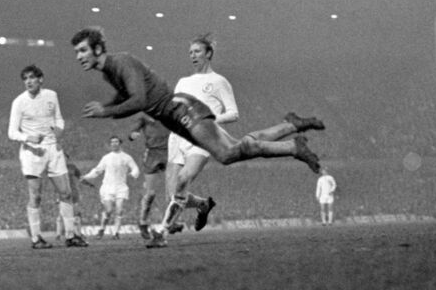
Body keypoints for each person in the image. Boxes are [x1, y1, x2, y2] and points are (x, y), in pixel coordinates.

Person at [68, 26, 324, 248]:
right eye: (77, 52)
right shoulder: (110, 71)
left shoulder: (122, 62)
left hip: (186, 113)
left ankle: (293, 147)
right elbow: (127, 96)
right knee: (233, 150)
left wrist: (106, 111)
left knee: (225, 155)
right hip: (177, 122)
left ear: (98, 48)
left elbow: (139, 100)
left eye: (82, 50)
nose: (78, 56)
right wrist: (108, 108)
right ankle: (291, 133)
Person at [7, 65, 89, 248]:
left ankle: (71, 236)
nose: (28, 81)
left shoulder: (51, 95)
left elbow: (58, 118)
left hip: (53, 148)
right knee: (35, 196)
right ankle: (36, 238)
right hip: (32, 152)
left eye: (31, 77)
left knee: (66, 192)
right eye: (25, 78)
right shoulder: (19, 102)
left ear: (40, 79)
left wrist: (59, 129)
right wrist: (28, 138)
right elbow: (12, 132)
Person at [164, 34, 238, 234]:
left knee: (183, 179)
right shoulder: (183, 82)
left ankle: (162, 232)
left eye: (197, 51)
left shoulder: (219, 81)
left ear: (209, 54)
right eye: (190, 52)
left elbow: (233, 113)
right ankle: (203, 204)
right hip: (178, 137)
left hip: (203, 138)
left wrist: (207, 121)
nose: (193, 55)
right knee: (172, 194)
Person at [81, 135, 140, 238]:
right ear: (110, 144)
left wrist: (132, 174)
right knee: (108, 210)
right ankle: (102, 229)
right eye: (112, 142)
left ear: (120, 143)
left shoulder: (126, 157)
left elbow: (135, 169)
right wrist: (86, 176)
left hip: (121, 187)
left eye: (116, 142)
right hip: (108, 187)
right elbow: (98, 170)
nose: (114, 144)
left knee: (119, 210)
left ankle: (116, 233)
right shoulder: (106, 158)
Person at [128, 113, 169, 240]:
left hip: (170, 152)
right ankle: (143, 222)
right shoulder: (144, 117)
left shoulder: (169, 113)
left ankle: (170, 222)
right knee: (150, 194)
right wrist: (132, 134)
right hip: (152, 155)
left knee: (175, 190)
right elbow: (132, 131)